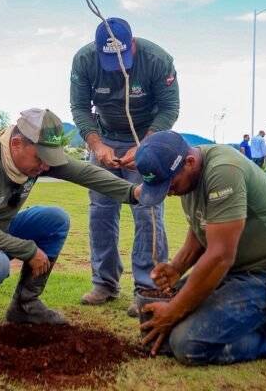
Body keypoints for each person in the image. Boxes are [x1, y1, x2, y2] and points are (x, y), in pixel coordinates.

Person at [0, 108, 142, 331]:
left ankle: (24, 305)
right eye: (40, 158)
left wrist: (133, 192)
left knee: (55, 220)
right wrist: (28, 250)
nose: (45, 166)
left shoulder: (36, 160)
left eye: (50, 159)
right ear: (17, 143)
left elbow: (87, 173)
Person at [133, 131, 266, 365]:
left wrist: (174, 312)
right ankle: (251, 319)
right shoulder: (188, 175)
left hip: (265, 275)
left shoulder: (223, 172)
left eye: (170, 185)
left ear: (190, 163)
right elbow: (201, 225)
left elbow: (220, 256)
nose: (169, 193)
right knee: (168, 312)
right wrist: (177, 267)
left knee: (186, 343)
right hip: (232, 269)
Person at [70, 17, 179, 316]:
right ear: (96, 50)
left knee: (148, 212)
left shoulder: (157, 60)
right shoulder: (83, 60)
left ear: (132, 44)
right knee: (100, 213)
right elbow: (79, 107)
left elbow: (170, 108)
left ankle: (147, 287)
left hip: (146, 141)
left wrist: (145, 146)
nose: (118, 68)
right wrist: (97, 145)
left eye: (122, 59)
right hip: (104, 140)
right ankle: (104, 283)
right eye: (110, 61)